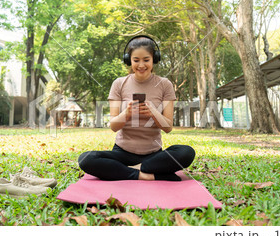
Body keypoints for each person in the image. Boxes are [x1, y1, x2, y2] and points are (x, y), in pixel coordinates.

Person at [78, 35, 195, 181]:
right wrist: (126, 113)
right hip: (122, 153)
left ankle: (130, 171)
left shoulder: (165, 84)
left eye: (146, 60)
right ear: (129, 60)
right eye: (136, 60)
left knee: (186, 152)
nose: (141, 65)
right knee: (86, 159)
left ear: (154, 59)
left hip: (153, 155)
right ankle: (145, 175)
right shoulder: (119, 84)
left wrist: (154, 113)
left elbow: (168, 127)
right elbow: (114, 126)